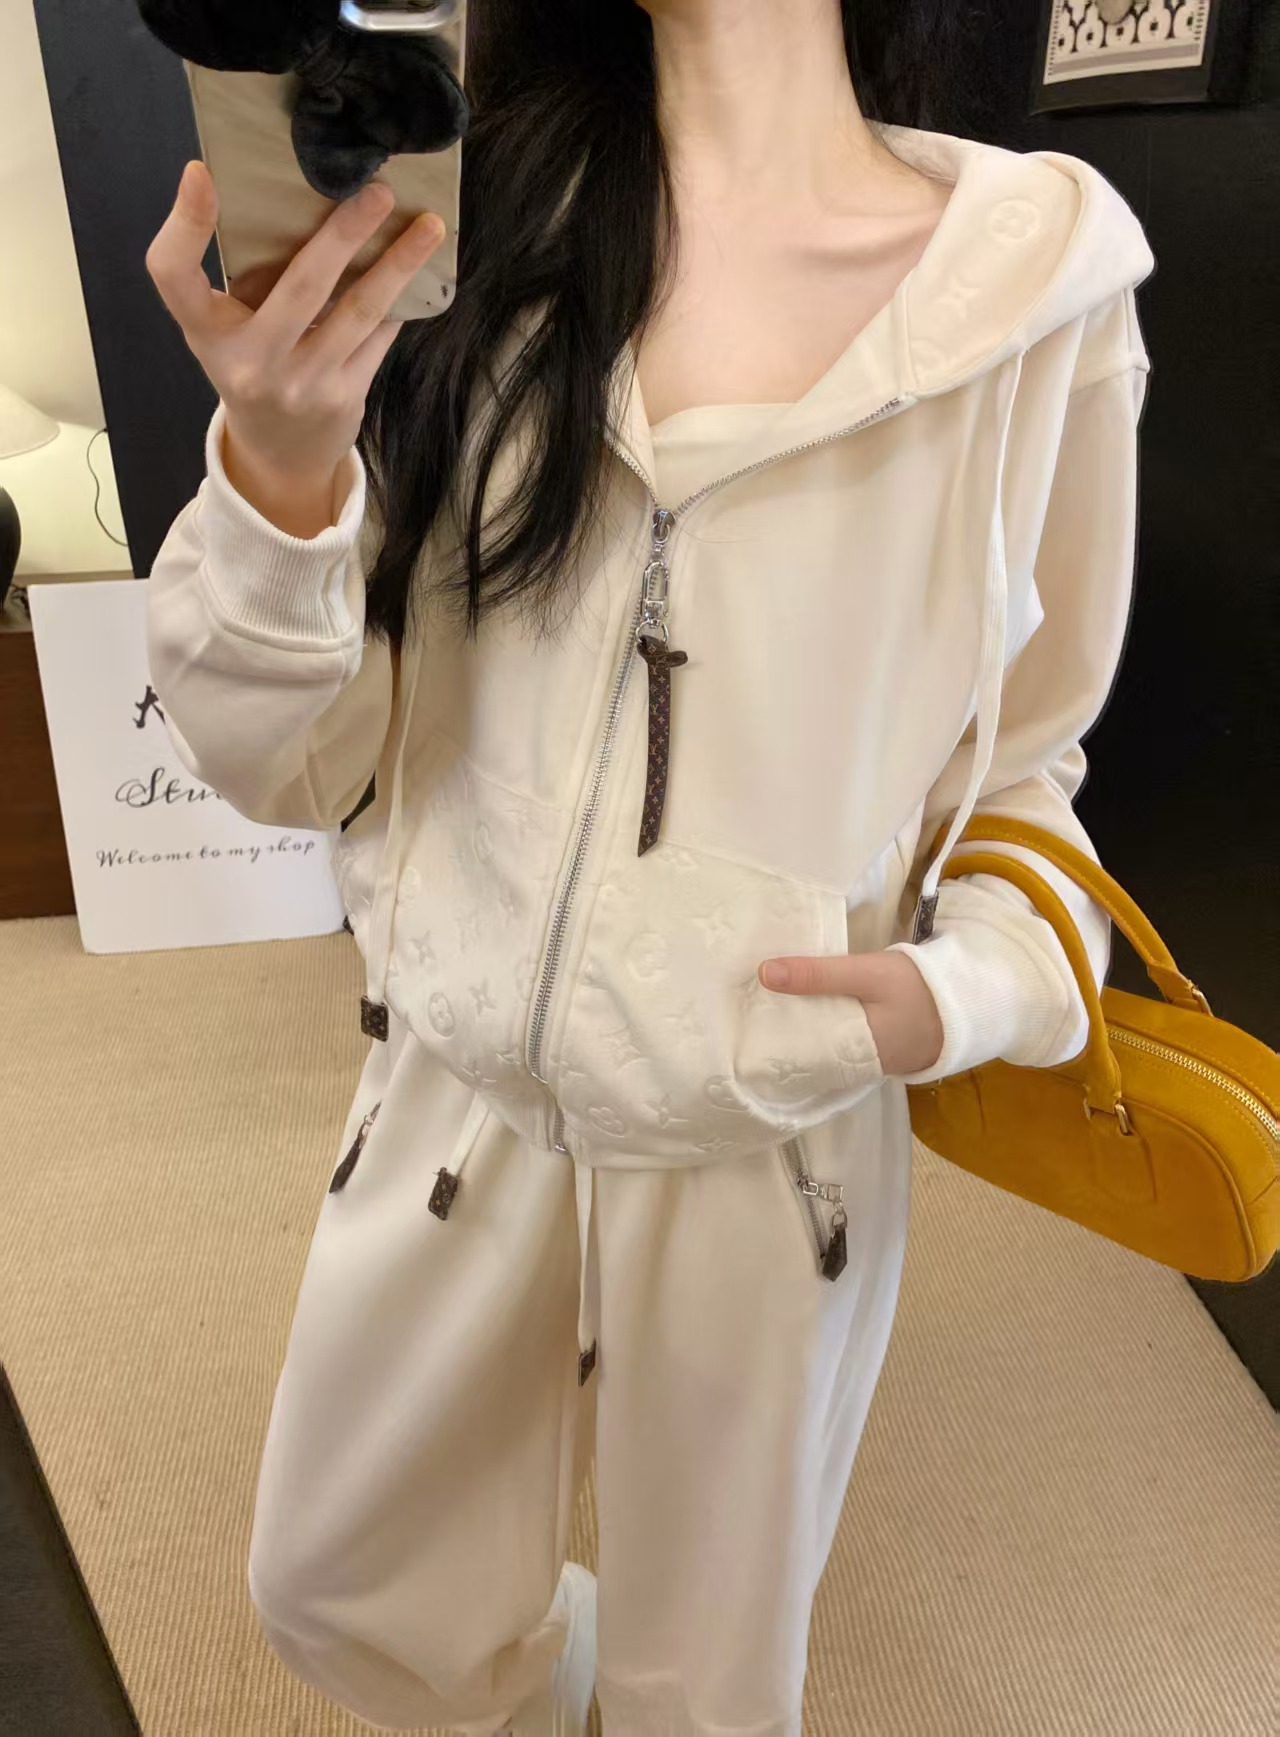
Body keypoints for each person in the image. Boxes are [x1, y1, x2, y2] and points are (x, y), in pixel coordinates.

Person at [143, 1, 1153, 1732]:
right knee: (339, 1590)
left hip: (770, 1132)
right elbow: (293, 761)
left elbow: (1029, 757)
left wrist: (967, 989)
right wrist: (286, 473)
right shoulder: (475, 241)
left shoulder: (1034, 295)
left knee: (703, 1692)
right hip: (457, 1089)